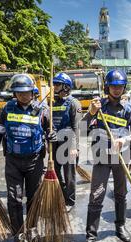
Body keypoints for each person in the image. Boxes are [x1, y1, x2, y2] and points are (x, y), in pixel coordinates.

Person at [0, 74, 56, 242]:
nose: (23, 96)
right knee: (14, 199)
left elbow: (50, 132)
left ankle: (31, 230)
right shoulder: (7, 109)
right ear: (14, 94)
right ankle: (18, 235)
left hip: (34, 161)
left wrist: (52, 137)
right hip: (13, 161)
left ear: (32, 92)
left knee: (33, 198)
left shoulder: (43, 110)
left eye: (26, 92)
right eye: (19, 93)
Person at [78, 69, 131, 242]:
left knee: (121, 194)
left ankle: (120, 226)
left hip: (121, 158)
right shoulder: (98, 106)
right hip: (101, 159)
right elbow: (81, 129)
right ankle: (90, 239)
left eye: (120, 86)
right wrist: (91, 113)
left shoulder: (129, 109)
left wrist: (125, 140)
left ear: (124, 87)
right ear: (107, 87)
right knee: (96, 196)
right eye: (113, 86)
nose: (116, 89)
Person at [50, 72, 80, 212]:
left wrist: (75, 147)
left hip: (69, 143)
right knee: (55, 171)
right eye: (54, 84)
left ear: (66, 86)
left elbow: (77, 126)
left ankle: (70, 200)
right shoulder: (53, 102)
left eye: (57, 84)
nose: (54, 86)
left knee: (69, 175)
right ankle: (62, 194)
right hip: (55, 142)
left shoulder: (73, 103)